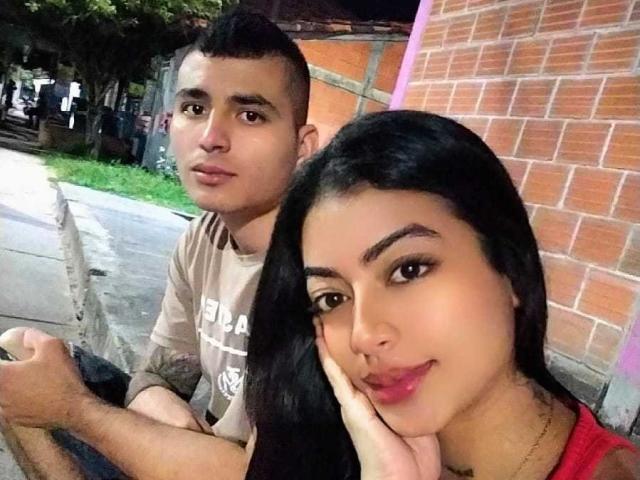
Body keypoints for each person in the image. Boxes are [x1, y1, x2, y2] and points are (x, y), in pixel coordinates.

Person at [0, 10, 317, 480]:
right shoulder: (202, 239)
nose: (211, 138)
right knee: (20, 357)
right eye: (195, 109)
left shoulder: (322, 274)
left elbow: (258, 473)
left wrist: (76, 410)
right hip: (201, 452)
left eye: (250, 115)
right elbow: (159, 373)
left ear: (302, 147)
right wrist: (160, 406)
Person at [244, 110, 640, 479]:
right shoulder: (317, 440)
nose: (363, 335)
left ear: (511, 269)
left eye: (408, 270)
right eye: (331, 299)